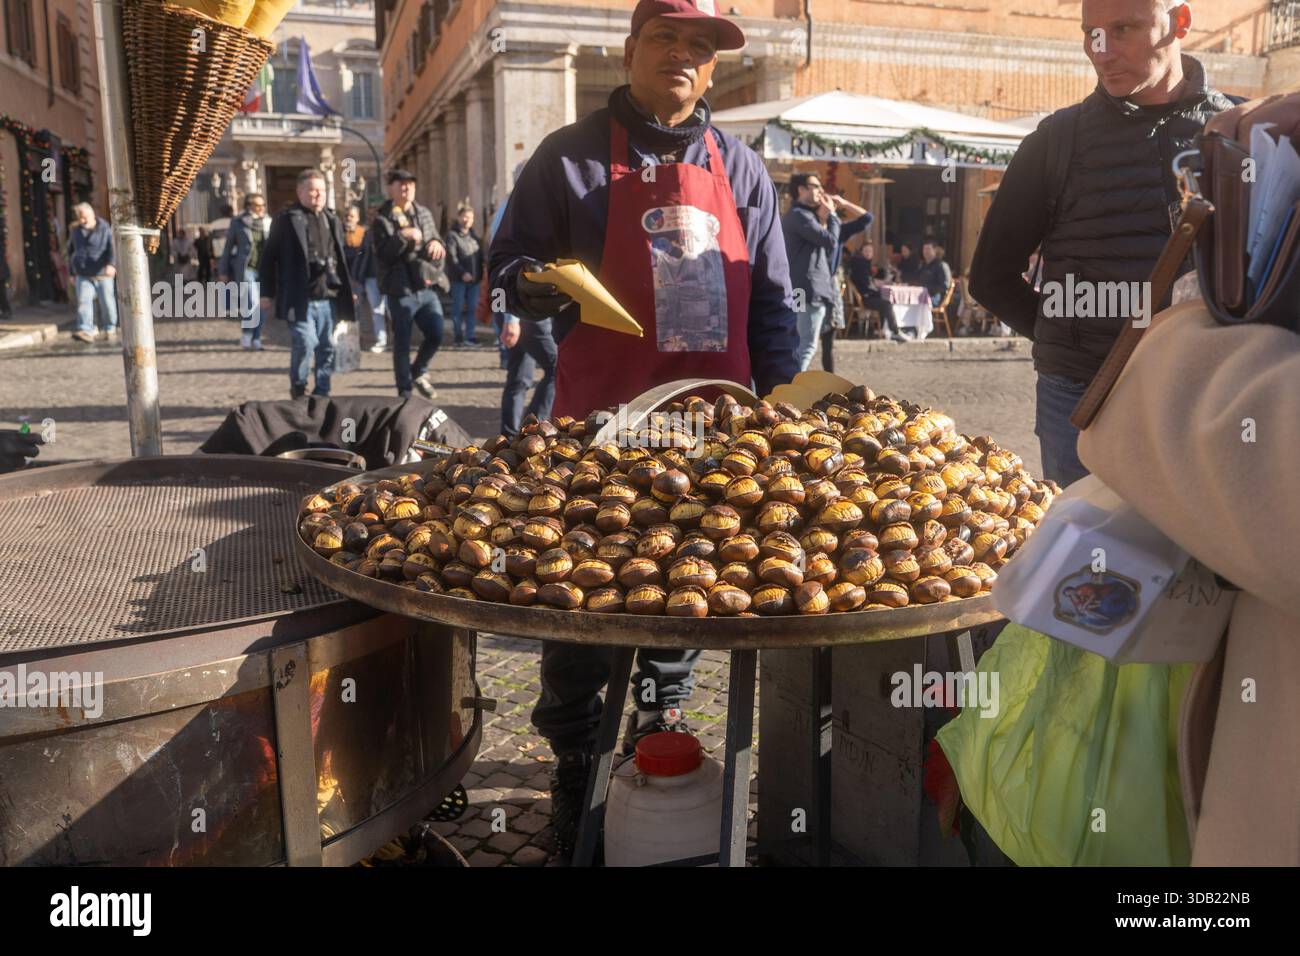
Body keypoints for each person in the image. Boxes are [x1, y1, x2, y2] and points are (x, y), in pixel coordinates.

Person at [489, 0, 798, 859]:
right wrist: (539, 285)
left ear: (713, 68)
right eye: (667, 38)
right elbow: (507, 265)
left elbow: (774, 303)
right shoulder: (569, 158)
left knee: (683, 597)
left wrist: (786, 405)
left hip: (710, 440)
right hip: (600, 437)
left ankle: (656, 741)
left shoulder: (741, 167)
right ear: (630, 51)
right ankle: (572, 763)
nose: (684, 56)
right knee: (578, 599)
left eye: (700, 47)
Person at [968, 0, 1235, 487]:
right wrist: (1069, 338)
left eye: (1123, 29)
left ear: (1179, 22)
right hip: (1081, 397)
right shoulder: (1055, 140)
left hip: (1208, 396)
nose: (1102, 51)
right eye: (1090, 33)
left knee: (1200, 559)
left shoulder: (1240, 131)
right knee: (1092, 558)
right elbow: (990, 278)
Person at [257, 169, 355, 399]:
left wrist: (348, 289)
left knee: (327, 346)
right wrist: (266, 293)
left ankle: (322, 391)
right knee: (305, 342)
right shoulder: (286, 219)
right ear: (300, 192)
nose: (317, 195)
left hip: (328, 295)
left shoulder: (332, 219)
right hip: (299, 296)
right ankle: (299, 388)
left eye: (321, 190)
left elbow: (340, 259)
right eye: (312, 190)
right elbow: (268, 258)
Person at [371, 168, 446, 399]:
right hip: (399, 289)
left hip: (425, 284)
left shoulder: (423, 212)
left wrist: (436, 243)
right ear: (391, 188)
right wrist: (403, 236)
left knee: (436, 333)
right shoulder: (382, 218)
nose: (407, 188)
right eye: (402, 184)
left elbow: (436, 237)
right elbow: (383, 255)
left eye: (411, 184)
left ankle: (419, 370)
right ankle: (404, 391)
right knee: (402, 342)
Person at [781, 172, 840, 371]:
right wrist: (832, 216)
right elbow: (831, 241)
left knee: (797, 340)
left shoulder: (798, 215)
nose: (821, 191)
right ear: (801, 189)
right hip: (809, 290)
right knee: (806, 344)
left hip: (799, 288)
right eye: (816, 186)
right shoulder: (801, 216)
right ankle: (792, 388)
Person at [818, 197, 872, 372]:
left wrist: (844, 203)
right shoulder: (806, 224)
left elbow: (867, 218)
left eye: (830, 205)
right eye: (823, 204)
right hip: (805, 288)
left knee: (828, 341)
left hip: (829, 288)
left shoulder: (838, 229)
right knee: (803, 341)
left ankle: (829, 379)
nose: (827, 207)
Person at [220, 193, 272, 349]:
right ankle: (247, 333)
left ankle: (256, 338)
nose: (262, 208)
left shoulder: (268, 222)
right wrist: (223, 271)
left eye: (263, 205)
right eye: (258, 205)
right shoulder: (238, 223)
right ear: (249, 206)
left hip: (264, 270)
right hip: (247, 269)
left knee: (262, 304)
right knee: (251, 303)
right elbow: (228, 248)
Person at [67, 202, 117, 344]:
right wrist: (72, 272)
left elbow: (111, 247)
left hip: (102, 272)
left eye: (85, 217)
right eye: (80, 218)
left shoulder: (104, 227)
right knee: (84, 301)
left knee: (107, 303)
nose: (83, 220)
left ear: (92, 214)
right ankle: (86, 329)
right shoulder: (75, 230)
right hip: (83, 272)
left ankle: (109, 327)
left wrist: (112, 264)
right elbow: (71, 251)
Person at [848, 238, 908, 343]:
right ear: (862, 252)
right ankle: (895, 331)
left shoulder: (862, 264)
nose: (868, 253)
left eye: (870, 251)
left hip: (867, 295)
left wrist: (878, 286)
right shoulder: (860, 264)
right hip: (866, 297)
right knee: (886, 303)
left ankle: (882, 330)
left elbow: (868, 281)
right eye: (866, 251)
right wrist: (878, 289)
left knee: (885, 299)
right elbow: (866, 284)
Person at [445, 204, 484, 349]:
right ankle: (457, 337)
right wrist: (463, 273)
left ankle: (470, 336)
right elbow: (451, 258)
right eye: (465, 217)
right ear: (459, 217)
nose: (468, 220)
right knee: (458, 308)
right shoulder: (452, 236)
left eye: (471, 217)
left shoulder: (474, 236)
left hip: (475, 280)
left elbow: (479, 257)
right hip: (458, 280)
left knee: (473, 309)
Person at [916, 241, 952, 309]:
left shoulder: (941, 265)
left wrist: (927, 290)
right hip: (920, 295)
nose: (926, 251)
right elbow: (917, 280)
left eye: (928, 249)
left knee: (913, 303)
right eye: (924, 249)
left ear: (935, 250)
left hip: (935, 298)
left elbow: (945, 285)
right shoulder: (923, 265)